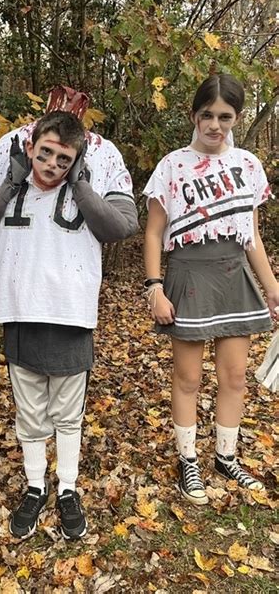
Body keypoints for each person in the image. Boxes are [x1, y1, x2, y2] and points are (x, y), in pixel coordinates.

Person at [0, 91, 138, 540]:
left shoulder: (102, 157)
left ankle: (68, 488)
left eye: (64, 158)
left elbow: (123, 226)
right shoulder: (8, 152)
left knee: (68, 412)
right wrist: (10, 184)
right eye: (46, 153)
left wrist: (80, 183)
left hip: (72, 307)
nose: (52, 163)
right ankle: (36, 485)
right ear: (32, 142)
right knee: (31, 409)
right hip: (20, 303)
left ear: (77, 156)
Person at [143, 74, 278, 505]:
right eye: (207, 115)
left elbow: (251, 236)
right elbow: (152, 233)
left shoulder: (248, 166)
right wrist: (154, 287)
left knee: (234, 376)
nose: (215, 125)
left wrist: (272, 286)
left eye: (225, 116)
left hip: (233, 274)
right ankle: (188, 461)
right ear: (193, 116)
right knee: (188, 377)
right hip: (188, 275)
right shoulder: (172, 165)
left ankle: (225, 455)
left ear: (237, 118)